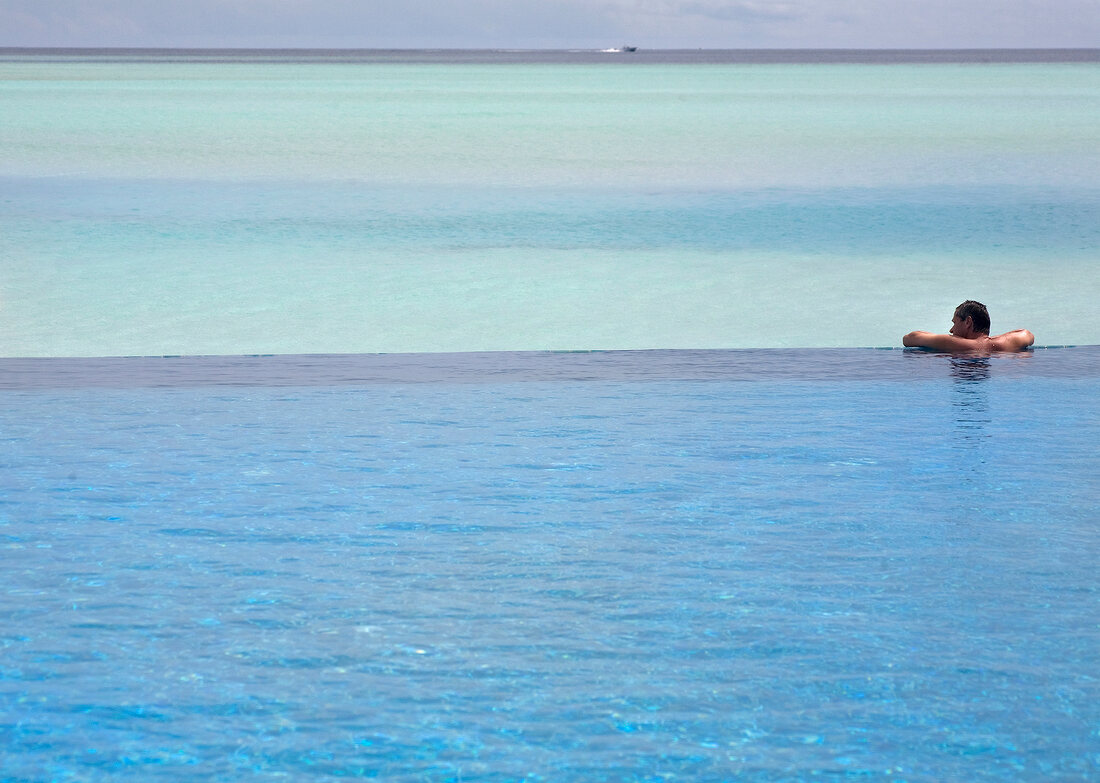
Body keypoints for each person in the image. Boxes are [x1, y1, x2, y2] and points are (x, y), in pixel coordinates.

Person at [903, 300, 1034, 353]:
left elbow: (909, 338)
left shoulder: (955, 343)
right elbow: (1027, 334)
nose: (951, 330)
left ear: (968, 322)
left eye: (954, 323)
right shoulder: (1006, 343)